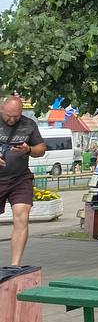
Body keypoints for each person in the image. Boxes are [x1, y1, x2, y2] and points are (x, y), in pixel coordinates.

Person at [0, 97, 45, 268]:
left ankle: (14, 266)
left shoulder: (29, 124)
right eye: (9, 116)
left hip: (20, 178)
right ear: (2, 109)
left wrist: (29, 149)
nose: (12, 120)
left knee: (22, 215)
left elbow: (41, 149)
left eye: (16, 116)